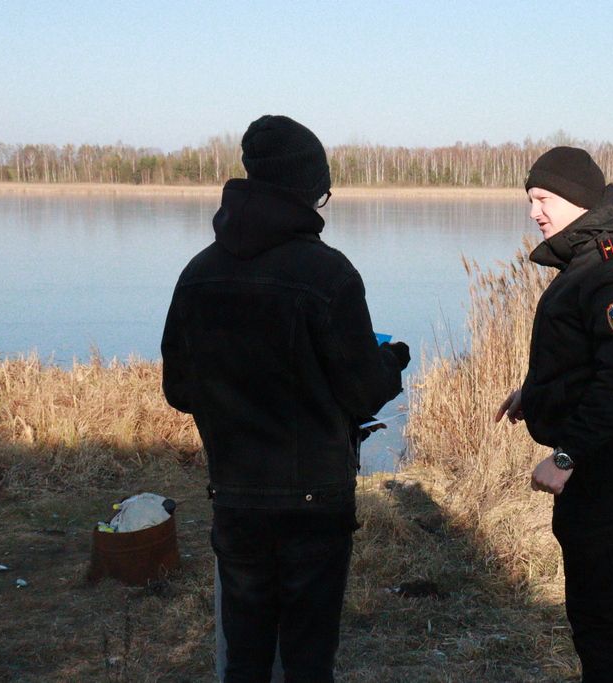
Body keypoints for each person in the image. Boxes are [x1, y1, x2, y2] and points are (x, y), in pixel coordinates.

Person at [162, 114, 409, 683]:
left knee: (244, 656)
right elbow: (365, 390)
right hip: (313, 504)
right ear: (308, 190)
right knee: (306, 659)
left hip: (236, 495)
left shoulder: (198, 273)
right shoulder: (328, 274)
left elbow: (179, 389)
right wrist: (391, 360)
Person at [495, 146, 613, 682]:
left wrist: (566, 456)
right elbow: (586, 354)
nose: (535, 212)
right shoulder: (590, 260)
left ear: (576, 198)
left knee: (600, 611)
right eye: (531, 200)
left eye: (543, 198)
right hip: (602, 460)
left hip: (607, 462)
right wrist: (534, 391)